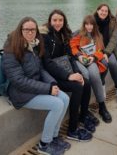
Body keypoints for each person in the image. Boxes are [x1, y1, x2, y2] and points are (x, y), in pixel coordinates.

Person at [2, 17, 69, 155]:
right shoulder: (11, 49)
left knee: (65, 98)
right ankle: (44, 144)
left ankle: (54, 137)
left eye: (33, 30)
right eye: (26, 29)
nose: (30, 32)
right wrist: (48, 89)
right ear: (20, 30)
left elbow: (41, 70)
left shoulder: (34, 45)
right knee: (57, 104)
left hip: (36, 87)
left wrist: (52, 83)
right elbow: (18, 81)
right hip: (20, 93)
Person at [41, 9, 96, 142]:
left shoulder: (64, 34)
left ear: (64, 21)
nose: (58, 23)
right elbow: (47, 63)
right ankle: (72, 129)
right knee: (77, 87)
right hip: (52, 75)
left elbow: (70, 56)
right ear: (50, 21)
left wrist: (77, 72)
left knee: (86, 82)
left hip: (64, 69)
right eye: (55, 20)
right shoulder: (45, 36)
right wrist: (68, 76)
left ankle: (82, 116)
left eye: (60, 20)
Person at [70, 15, 112, 123]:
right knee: (86, 77)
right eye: (87, 24)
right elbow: (73, 46)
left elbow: (100, 50)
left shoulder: (98, 36)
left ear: (94, 25)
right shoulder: (78, 33)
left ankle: (102, 106)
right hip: (79, 60)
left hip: (91, 60)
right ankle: (84, 109)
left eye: (91, 24)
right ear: (84, 25)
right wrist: (79, 55)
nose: (89, 27)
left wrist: (93, 57)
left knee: (94, 74)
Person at [94, 4, 117, 105]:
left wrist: (106, 52)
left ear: (108, 13)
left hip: (109, 49)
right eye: (101, 10)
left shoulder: (112, 22)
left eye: (105, 11)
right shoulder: (92, 21)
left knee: (112, 63)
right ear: (97, 11)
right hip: (96, 50)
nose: (103, 13)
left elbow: (114, 39)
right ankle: (102, 85)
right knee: (103, 63)